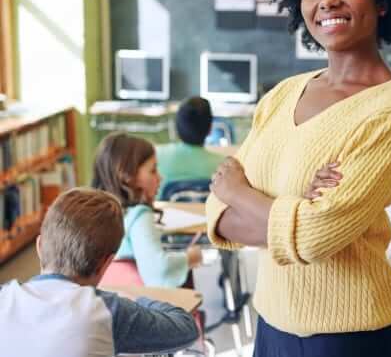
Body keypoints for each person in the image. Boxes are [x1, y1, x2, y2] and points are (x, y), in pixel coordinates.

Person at [204, 0, 391, 357]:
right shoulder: (283, 94)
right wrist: (295, 210)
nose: (327, 1)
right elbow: (216, 213)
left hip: (350, 336)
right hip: (272, 323)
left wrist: (241, 191)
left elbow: (315, 236)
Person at [0, 188, 199, 356]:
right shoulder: (108, 310)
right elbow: (186, 328)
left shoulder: (4, 297)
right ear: (107, 263)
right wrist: (137, 299)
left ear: (39, 245)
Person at [93, 132, 201, 287]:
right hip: (139, 304)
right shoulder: (139, 216)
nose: (160, 177)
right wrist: (190, 257)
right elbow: (159, 271)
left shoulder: (96, 216)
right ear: (128, 176)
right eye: (153, 170)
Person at [156, 96, 224, 199]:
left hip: (167, 214)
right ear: (210, 128)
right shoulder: (224, 167)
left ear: (176, 127)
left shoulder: (156, 157)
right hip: (206, 215)